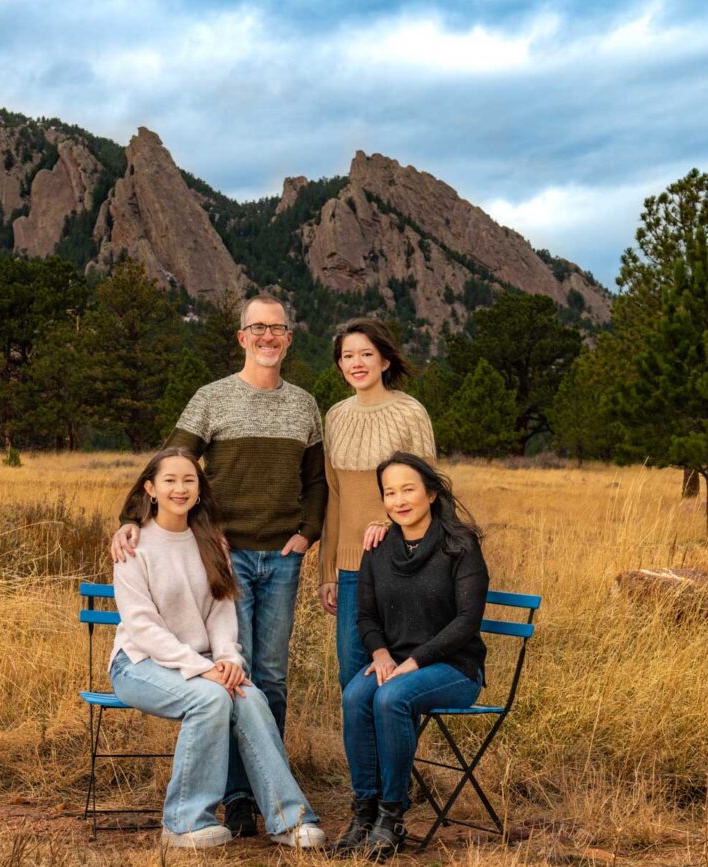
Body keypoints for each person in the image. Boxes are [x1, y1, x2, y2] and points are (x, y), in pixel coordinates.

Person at [110, 293, 328, 837]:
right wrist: (131, 518)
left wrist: (309, 534)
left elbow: (316, 481)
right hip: (223, 550)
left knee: (268, 679)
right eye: (257, 328)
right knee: (237, 674)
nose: (267, 337)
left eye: (277, 328)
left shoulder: (304, 405)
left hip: (280, 555)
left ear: (289, 337)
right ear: (241, 337)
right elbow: (170, 466)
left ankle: (261, 792)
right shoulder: (212, 398)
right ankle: (233, 801)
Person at [108, 448, 324, 849]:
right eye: (170, 480)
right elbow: (142, 627)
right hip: (139, 665)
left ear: (199, 489)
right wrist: (202, 668)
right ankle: (184, 823)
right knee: (210, 700)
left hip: (203, 665)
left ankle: (290, 819)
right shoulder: (134, 545)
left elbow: (223, 615)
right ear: (150, 488)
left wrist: (227, 660)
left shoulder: (211, 542)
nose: (180, 488)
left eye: (189, 480)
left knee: (250, 696)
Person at [335, 452, 489, 858]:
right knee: (354, 696)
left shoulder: (460, 545)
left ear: (431, 493)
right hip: (396, 662)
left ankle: (392, 817)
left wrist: (413, 662)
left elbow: (466, 623)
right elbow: (366, 616)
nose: (399, 500)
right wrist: (381, 654)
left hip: (453, 667)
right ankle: (364, 813)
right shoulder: (379, 546)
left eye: (408, 489)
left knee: (391, 697)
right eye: (390, 492)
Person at [318, 318, 435, 689]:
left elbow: (430, 491)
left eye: (367, 353)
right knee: (351, 679)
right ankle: (362, 752)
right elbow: (334, 496)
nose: (357, 362)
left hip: (404, 565)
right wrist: (327, 571)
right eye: (348, 355)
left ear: (385, 360)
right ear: (339, 364)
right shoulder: (335, 417)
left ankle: (394, 751)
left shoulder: (410, 412)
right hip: (352, 570)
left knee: (397, 682)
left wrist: (392, 526)